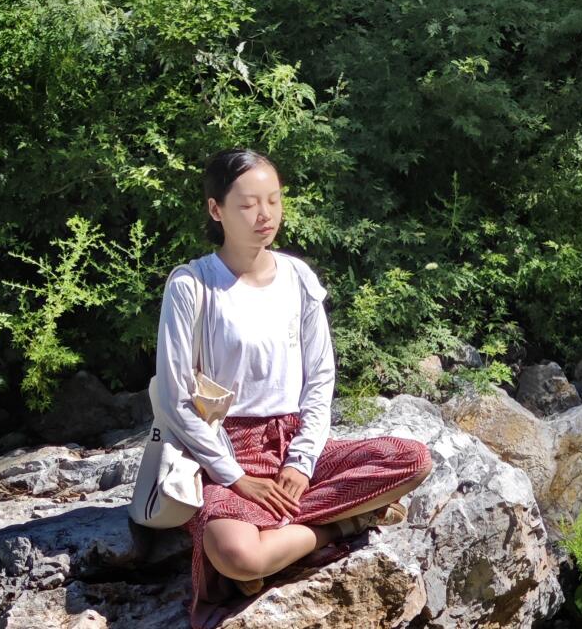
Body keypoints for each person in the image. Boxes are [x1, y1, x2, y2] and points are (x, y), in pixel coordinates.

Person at [154, 147, 434, 629]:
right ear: (216, 210)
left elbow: (320, 378)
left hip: (296, 443)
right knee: (237, 555)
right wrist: (234, 476)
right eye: (247, 204)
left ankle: (288, 530)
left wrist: (301, 464)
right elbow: (180, 397)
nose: (265, 215)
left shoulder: (298, 277)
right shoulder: (192, 285)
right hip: (225, 448)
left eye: (274, 200)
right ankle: (339, 524)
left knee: (410, 459)